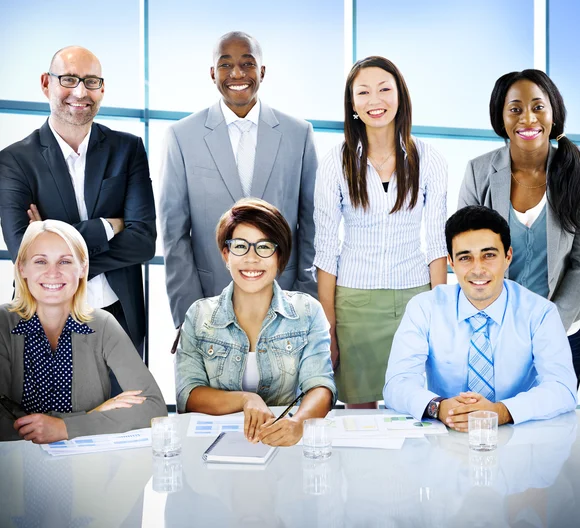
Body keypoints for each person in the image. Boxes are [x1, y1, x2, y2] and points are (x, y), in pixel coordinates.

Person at [0, 46, 156, 361]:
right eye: (69, 79)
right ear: (46, 83)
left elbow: (143, 243)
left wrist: (53, 254)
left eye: (92, 81)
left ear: (102, 88)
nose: (81, 92)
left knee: (121, 409)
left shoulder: (128, 150)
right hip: (43, 318)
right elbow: (23, 252)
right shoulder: (14, 161)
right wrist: (106, 226)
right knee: (46, 412)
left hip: (119, 317)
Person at [160, 31, 318, 334]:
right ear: (212, 73)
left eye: (247, 64)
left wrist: (304, 301)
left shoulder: (299, 134)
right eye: (225, 65)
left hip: (284, 306)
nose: (236, 74)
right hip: (209, 304)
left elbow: (311, 227)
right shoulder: (182, 136)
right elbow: (174, 234)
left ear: (262, 71)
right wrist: (187, 315)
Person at [313, 56, 448, 408]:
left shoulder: (430, 159)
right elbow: (326, 251)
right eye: (364, 92)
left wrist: (440, 312)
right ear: (353, 104)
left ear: (399, 96)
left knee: (416, 407)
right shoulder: (336, 162)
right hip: (354, 302)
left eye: (385, 89)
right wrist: (329, 327)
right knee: (359, 412)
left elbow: (436, 244)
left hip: (415, 299)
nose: (376, 100)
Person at [458, 69, 580, 387]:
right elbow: (466, 256)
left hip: (562, 335)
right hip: (494, 333)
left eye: (538, 107)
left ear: (553, 113)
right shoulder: (478, 172)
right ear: (501, 116)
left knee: (554, 432)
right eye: (515, 109)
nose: (527, 119)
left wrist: (546, 329)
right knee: (496, 428)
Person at [384, 205, 577, 429]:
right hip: (445, 436)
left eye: (489, 255)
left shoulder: (540, 313)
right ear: (451, 262)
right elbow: (397, 384)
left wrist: (501, 411)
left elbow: (562, 388)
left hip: (518, 438)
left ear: (508, 257)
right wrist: (439, 407)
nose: (478, 269)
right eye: (466, 258)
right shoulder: (424, 308)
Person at [175, 198, 336, 447]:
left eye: (264, 247)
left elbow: (320, 385)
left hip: (284, 444)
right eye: (240, 246)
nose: (251, 258)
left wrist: (299, 423)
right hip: (217, 446)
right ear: (226, 254)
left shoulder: (307, 312)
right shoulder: (199, 315)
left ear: (279, 255)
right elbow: (188, 394)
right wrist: (246, 400)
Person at [0, 220, 166, 443]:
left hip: (88, 467)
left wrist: (63, 427)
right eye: (40, 261)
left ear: (82, 269)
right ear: (22, 268)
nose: (53, 273)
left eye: (65, 261)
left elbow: (153, 408)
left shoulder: (103, 324)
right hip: (15, 469)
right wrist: (90, 417)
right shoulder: (2, 323)